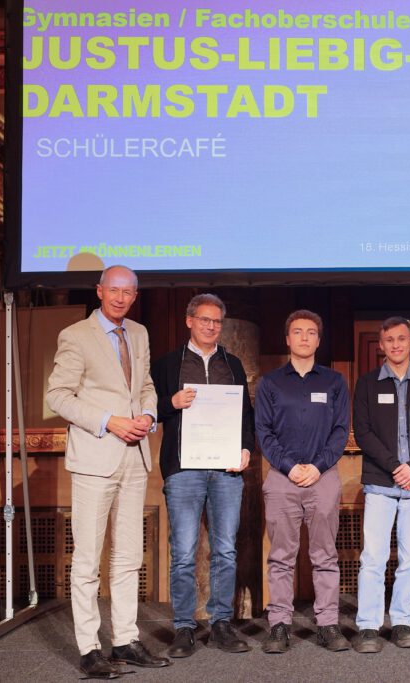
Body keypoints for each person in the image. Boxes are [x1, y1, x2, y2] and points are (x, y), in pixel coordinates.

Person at [46, 265, 170, 678]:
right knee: (87, 560)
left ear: (135, 296)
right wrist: (108, 421)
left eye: (127, 292)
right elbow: (57, 395)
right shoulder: (76, 335)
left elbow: (146, 386)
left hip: (135, 457)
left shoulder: (139, 333)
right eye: (113, 290)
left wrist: (148, 415)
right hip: (95, 457)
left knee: (129, 556)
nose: (120, 298)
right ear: (99, 291)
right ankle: (89, 649)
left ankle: (125, 640)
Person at [150, 294, 255, 658]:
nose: (211, 326)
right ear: (189, 321)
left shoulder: (232, 363)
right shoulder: (168, 364)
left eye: (217, 321)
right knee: (183, 551)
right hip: (183, 470)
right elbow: (148, 410)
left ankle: (222, 623)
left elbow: (245, 415)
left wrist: (245, 449)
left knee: (225, 550)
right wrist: (171, 403)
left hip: (226, 470)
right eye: (205, 320)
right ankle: (184, 627)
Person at [255, 310, 351, 653]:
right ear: (287, 339)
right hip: (282, 478)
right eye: (298, 332)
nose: (305, 337)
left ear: (318, 340)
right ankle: (279, 624)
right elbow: (263, 431)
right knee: (281, 556)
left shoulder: (334, 382)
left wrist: (318, 466)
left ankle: (327, 624)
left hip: (323, 477)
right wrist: (289, 466)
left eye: (311, 332)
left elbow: (340, 430)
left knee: (325, 555)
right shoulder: (270, 383)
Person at [351, 317, 410, 653]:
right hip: (380, 482)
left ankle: (402, 621)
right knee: (373, 558)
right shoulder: (367, 383)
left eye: (402, 339)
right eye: (389, 340)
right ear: (381, 345)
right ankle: (368, 626)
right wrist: (395, 467)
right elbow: (363, 433)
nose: (396, 345)